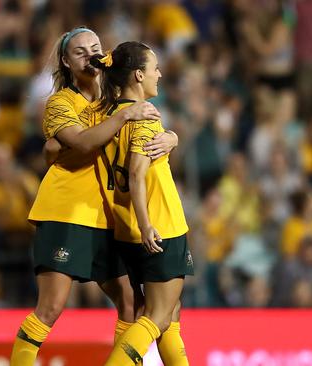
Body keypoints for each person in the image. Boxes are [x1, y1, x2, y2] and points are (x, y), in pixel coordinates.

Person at [9, 28, 179, 364]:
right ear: (66, 62)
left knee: (132, 304)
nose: (89, 56)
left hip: (106, 216)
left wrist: (171, 138)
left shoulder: (114, 101)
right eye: (79, 52)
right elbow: (83, 143)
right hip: (66, 211)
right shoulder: (60, 102)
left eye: (95, 48)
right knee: (51, 307)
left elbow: (136, 137)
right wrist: (121, 117)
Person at [87, 41, 193, 366]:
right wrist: (148, 225)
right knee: (157, 318)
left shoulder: (105, 115)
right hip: (160, 226)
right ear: (137, 75)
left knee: (169, 317)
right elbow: (136, 173)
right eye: (154, 68)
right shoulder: (145, 116)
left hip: (125, 229)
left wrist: (172, 137)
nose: (159, 74)